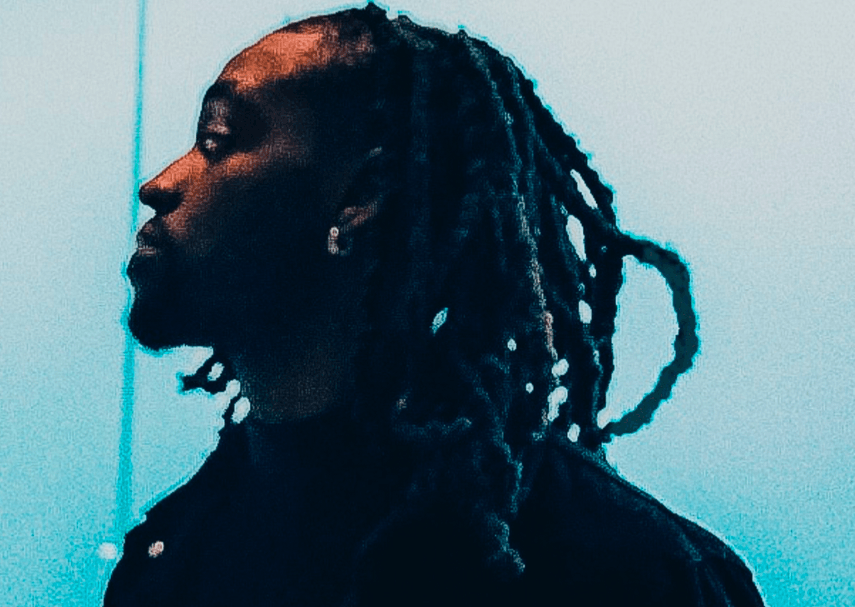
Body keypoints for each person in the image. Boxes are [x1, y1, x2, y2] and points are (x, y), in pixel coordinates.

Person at [106, 4, 765, 606]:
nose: (158, 183)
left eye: (217, 140)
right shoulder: (166, 561)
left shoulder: (633, 576)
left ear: (362, 194)